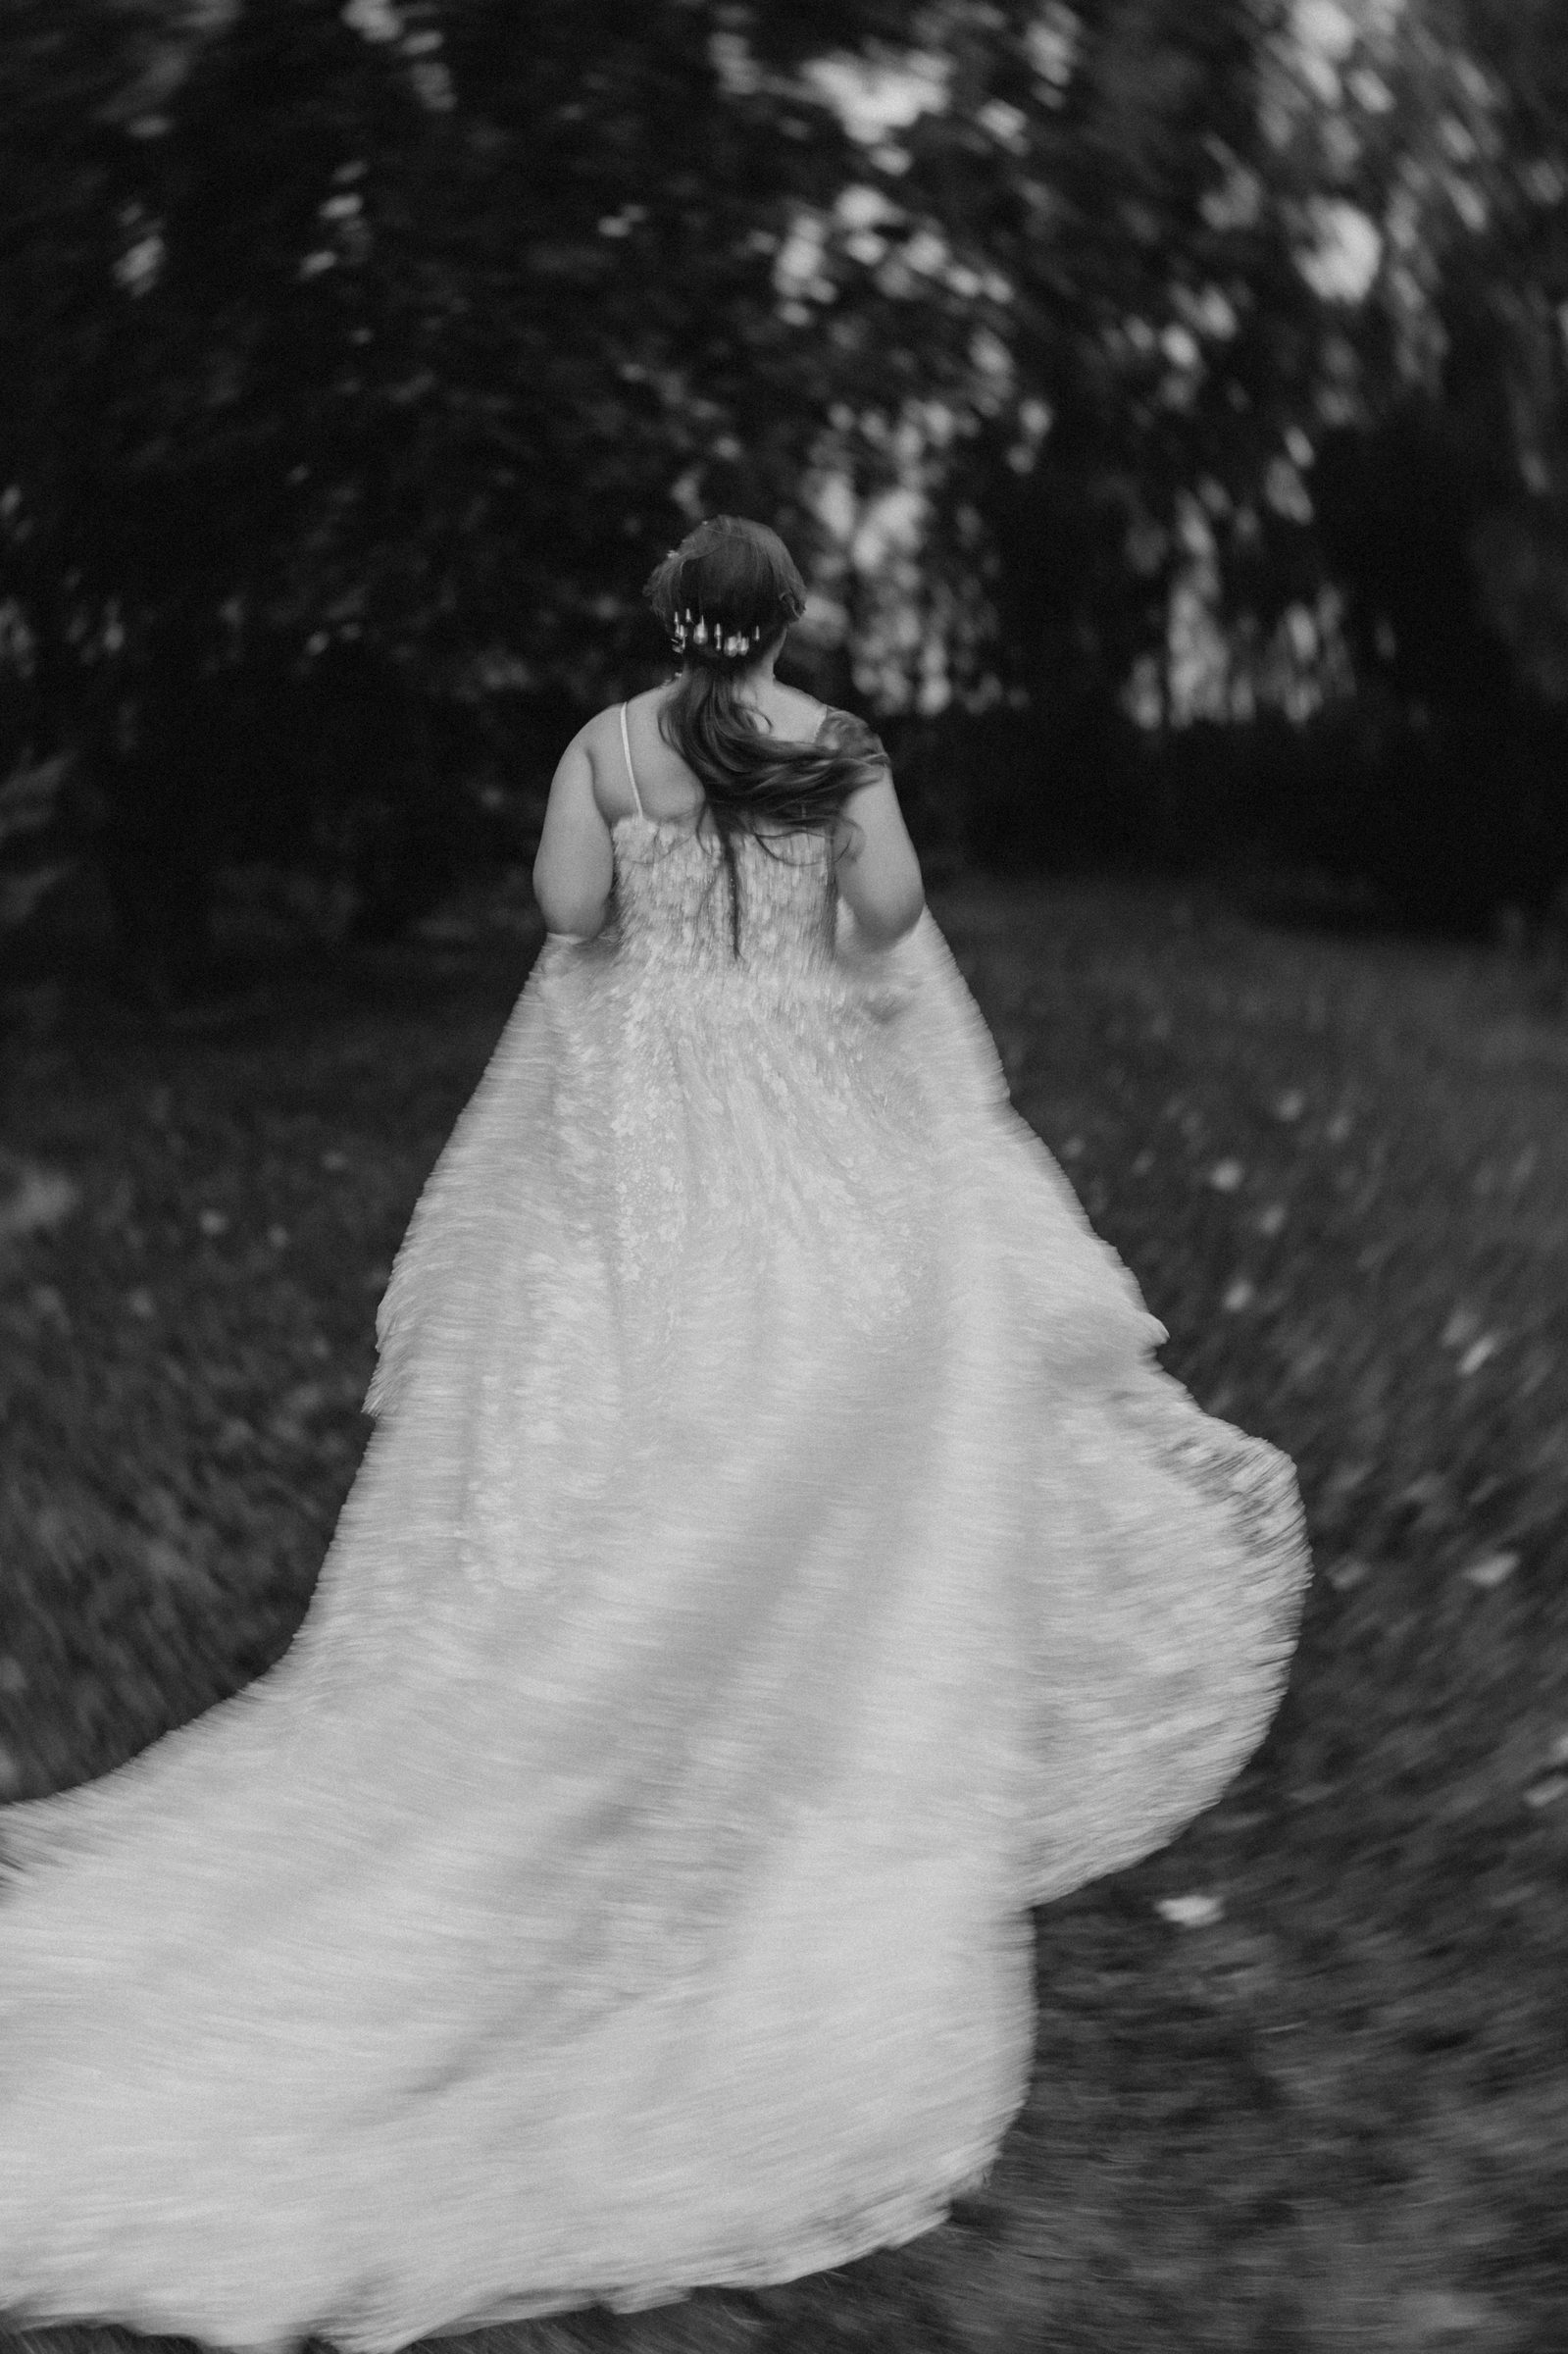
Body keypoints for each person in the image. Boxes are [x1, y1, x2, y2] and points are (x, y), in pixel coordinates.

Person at [0, 516, 1309, 2353]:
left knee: (632, 1394)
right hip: (800, 1099)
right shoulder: (836, 748)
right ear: (781, 624)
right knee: (820, 1377)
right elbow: (887, 922)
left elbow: (566, 916)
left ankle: (637, 1659)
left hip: (649, 1119)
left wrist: (656, 889)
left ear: (670, 621)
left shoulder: (609, 748)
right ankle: (783, 1698)